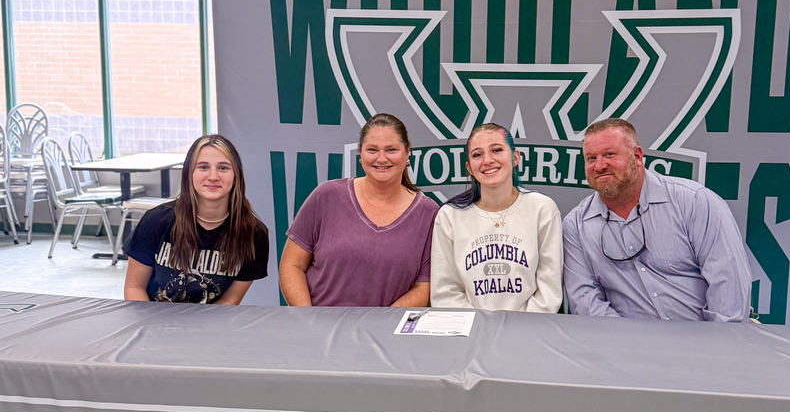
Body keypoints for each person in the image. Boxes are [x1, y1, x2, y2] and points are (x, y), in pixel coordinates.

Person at [563, 118, 751, 321]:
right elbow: (585, 299)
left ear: (637, 156)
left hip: (704, 336)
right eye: (591, 158)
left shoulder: (695, 202)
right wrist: (625, 338)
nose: (599, 166)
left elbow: (728, 286)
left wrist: (713, 340)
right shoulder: (576, 225)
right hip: (622, 339)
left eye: (609, 154)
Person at [279, 113, 438, 307]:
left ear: (406, 153)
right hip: (319, 324)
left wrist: (383, 322)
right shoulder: (326, 196)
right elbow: (291, 265)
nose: (381, 158)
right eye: (372, 150)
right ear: (360, 155)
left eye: (391, 149)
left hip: (386, 326)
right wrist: (309, 319)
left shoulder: (428, 213)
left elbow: (424, 287)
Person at [431, 123, 563, 312]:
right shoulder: (449, 216)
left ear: (515, 157)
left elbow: (549, 292)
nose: (487, 160)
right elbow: (445, 293)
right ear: (469, 167)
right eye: (477, 154)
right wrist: (480, 326)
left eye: (496, 150)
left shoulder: (542, 209)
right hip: (472, 328)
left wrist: (518, 327)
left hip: (530, 327)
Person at [124, 134, 269, 304]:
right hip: (153, 318)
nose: (213, 176)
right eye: (203, 167)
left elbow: (230, 301)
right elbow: (134, 288)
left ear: (236, 176)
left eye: (223, 168)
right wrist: (152, 321)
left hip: (213, 319)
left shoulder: (253, 234)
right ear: (189, 173)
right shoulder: (155, 221)